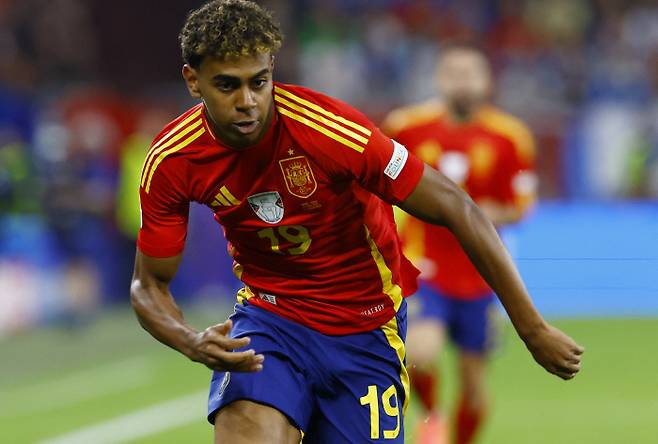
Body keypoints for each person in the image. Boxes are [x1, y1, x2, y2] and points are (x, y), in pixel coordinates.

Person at [129, 2, 584, 443]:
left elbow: (457, 207)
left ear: (272, 71)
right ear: (193, 81)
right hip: (270, 318)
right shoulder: (172, 159)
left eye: (259, 82)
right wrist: (190, 340)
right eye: (227, 85)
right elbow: (148, 286)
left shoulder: (331, 130)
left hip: (365, 326)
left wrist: (532, 329)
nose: (247, 102)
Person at [382, 42, 538, 444]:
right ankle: (432, 416)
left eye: (471, 75)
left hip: (481, 273)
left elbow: (521, 206)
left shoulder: (510, 137)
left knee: (473, 385)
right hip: (423, 263)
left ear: (487, 82)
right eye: (454, 74)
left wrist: (476, 211)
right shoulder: (407, 127)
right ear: (440, 79)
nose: (462, 83)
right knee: (419, 353)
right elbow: (379, 183)